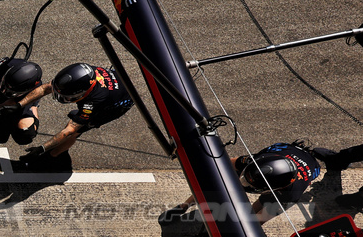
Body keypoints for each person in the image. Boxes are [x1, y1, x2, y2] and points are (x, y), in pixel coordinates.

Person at [161, 141, 322, 225]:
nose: (242, 184)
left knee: (254, 213)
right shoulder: (256, 160)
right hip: (283, 151)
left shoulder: (290, 195)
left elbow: (259, 220)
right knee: (213, 181)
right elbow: (222, 164)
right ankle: (184, 206)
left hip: (310, 167)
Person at [16, 62, 132, 163]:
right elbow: (45, 88)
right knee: (74, 125)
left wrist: (41, 149)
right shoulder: (78, 75)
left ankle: (54, 156)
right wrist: (18, 105)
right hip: (114, 85)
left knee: (77, 130)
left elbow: (70, 130)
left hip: (115, 105)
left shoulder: (92, 102)